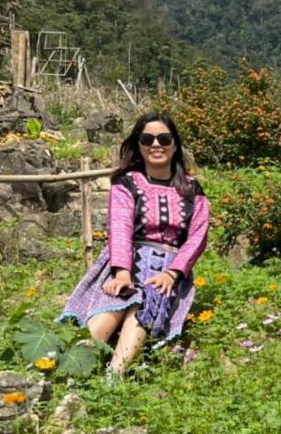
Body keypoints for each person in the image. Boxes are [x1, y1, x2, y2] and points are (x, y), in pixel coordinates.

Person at [59, 113, 209, 374]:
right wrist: (122, 272)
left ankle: (115, 375)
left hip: (169, 267)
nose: (156, 145)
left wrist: (173, 273)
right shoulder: (126, 183)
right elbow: (120, 227)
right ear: (138, 145)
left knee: (147, 302)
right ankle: (72, 370)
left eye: (164, 138)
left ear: (175, 144)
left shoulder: (192, 189)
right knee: (113, 302)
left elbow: (198, 236)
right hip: (126, 260)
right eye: (147, 139)